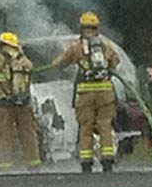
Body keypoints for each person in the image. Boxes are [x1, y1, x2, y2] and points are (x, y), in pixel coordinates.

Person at [51, 11, 120, 173]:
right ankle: (107, 160)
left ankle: (86, 162)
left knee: (86, 127)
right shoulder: (106, 46)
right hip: (105, 93)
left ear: (81, 28)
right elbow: (115, 63)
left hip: (85, 93)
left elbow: (61, 62)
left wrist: (54, 64)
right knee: (105, 126)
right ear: (97, 28)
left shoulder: (76, 47)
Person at [0, 31, 42, 170]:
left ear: (2, 44)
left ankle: (5, 165)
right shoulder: (25, 61)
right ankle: (34, 164)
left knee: (4, 135)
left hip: (4, 104)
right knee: (28, 133)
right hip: (24, 103)